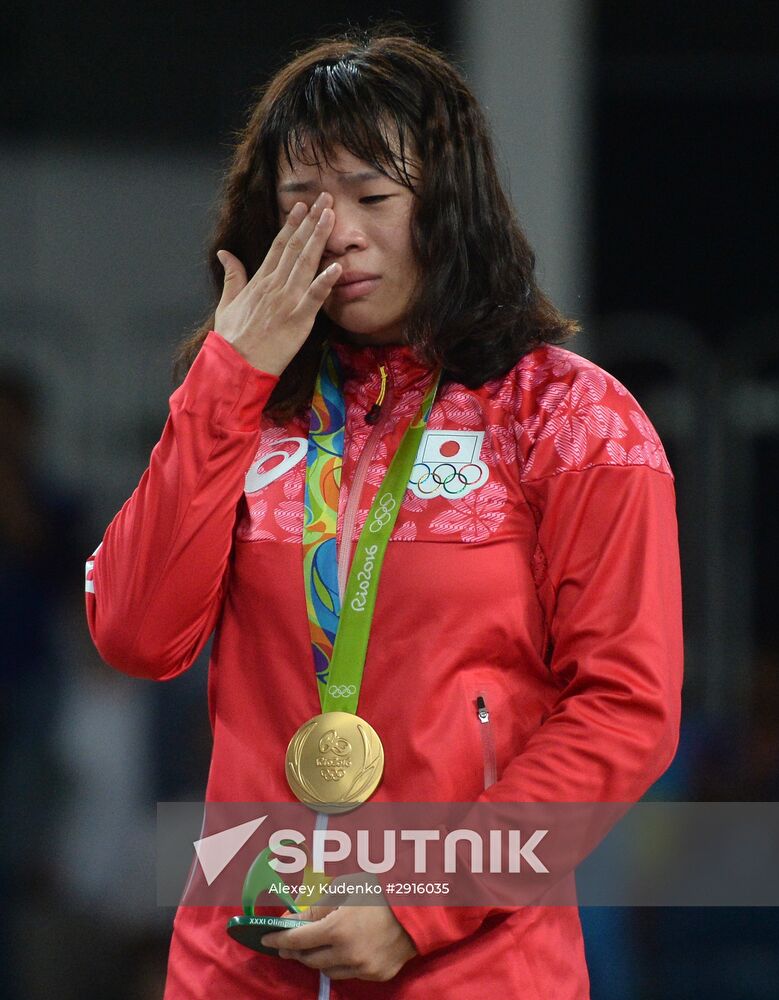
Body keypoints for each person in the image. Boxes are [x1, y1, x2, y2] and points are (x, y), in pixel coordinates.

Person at [85, 27, 683, 999]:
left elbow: (624, 710)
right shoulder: (241, 410)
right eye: (303, 201)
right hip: (238, 964)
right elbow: (132, 635)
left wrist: (420, 900)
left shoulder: (569, 419)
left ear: (446, 205)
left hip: (474, 963)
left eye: (372, 197)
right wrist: (225, 381)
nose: (338, 232)